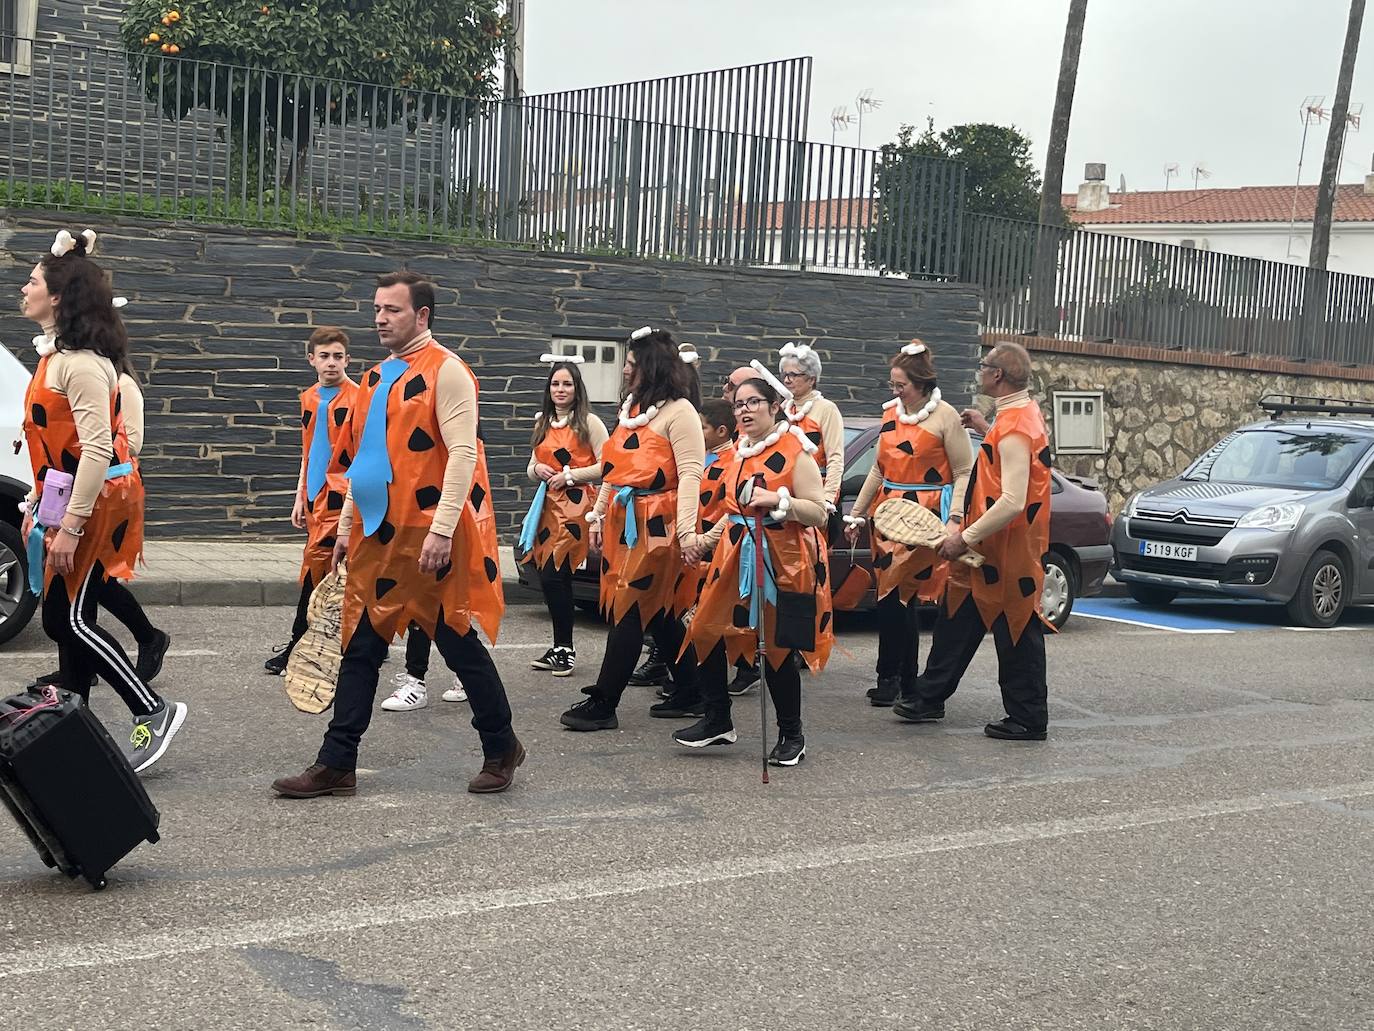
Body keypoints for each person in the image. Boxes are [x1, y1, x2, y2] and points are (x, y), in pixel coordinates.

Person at [272, 271, 524, 797]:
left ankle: (501, 746)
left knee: (457, 645)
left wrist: (442, 528)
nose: (380, 318)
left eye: (392, 309)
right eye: (378, 308)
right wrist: (345, 526)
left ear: (422, 315)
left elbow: (463, 454)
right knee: (362, 645)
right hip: (376, 536)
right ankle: (337, 761)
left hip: (428, 534)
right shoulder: (372, 377)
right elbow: (363, 458)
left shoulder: (449, 372)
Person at [18, 228, 186, 773]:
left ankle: (153, 709)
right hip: (67, 503)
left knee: (68, 621)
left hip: (94, 506)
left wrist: (67, 527)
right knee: (68, 617)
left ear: (59, 298)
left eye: (34, 281)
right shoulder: (56, 358)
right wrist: (38, 509)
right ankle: (78, 730)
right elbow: (54, 448)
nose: (24, 287)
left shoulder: (81, 363)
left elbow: (95, 452)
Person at [892, 341, 1051, 741]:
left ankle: (1029, 717)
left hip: (1007, 549)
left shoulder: (1015, 424)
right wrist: (985, 428)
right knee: (957, 616)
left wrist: (964, 535)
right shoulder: (1016, 415)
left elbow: (1013, 499)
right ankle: (930, 697)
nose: (979, 371)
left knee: (1016, 628)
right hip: (990, 545)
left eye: (984, 366)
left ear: (997, 375)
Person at [674, 377, 832, 765]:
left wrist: (778, 499)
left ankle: (792, 735)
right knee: (703, 629)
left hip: (784, 560)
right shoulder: (739, 453)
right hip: (734, 553)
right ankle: (717, 720)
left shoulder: (797, 452)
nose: (744, 410)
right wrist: (702, 543)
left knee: (777, 649)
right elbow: (732, 513)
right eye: (739, 404)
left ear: (774, 406)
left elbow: (818, 511)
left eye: (753, 402)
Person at [558, 327, 705, 731]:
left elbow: (693, 473)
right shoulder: (631, 409)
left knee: (629, 609)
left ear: (651, 367)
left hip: (661, 521)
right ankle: (692, 690)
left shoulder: (680, 413)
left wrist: (689, 530)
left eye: (630, 364)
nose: (624, 370)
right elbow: (613, 469)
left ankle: (605, 701)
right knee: (660, 613)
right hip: (625, 521)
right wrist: (597, 514)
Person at [27, 345, 171, 692]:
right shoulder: (69, 373)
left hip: (107, 492)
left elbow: (128, 443)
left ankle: (147, 643)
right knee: (72, 596)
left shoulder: (120, 384)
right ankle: (77, 672)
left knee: (88, 589)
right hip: (71, 490)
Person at [844, 340, 972, 706]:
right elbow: (878, 468)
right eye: (892, 384)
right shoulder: (890, 415)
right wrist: (859, 513)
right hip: (888, 513)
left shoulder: (945, 416)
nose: (895, 391)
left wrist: (954, 519)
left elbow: (964, 471)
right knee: (890, 598)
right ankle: (894, 676)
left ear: (922, 384)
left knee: (902, 595)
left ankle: (898, 678)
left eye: (900, 385)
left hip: (924, 513)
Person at [265, 327, 359, 676]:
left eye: (338, 356)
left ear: (347, 359)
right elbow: (309, 450)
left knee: (319, 572)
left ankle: (297, 644)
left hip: (343, 499)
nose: (331, 362)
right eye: (324, 356)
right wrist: (299, 494)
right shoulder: (309, 397)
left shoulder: (358, 398)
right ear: (312, 359)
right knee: (331, 573)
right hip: (316, 499)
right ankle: (359, 641)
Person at [518, 354, 608, 677]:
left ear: (577, 388)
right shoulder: (542, 422)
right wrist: (537, 469)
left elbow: (606, 465)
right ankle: (560, 647)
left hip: (576, 508)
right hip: (547, 509)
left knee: (556, 573)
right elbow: (531, 467)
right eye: (556, 383)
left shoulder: (590, 423)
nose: (560, 389)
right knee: (551, 576)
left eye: (567, 383)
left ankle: (565, 650)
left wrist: (570, 476)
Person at [777, 342, 844, 512]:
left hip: (815, 491)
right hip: (784, 490)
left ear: (812, 379)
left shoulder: (826, 408)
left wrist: (828, 498)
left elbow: (835, 457)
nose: (787, 379)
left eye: (794, 375)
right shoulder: (782, 407)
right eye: (784, 374)